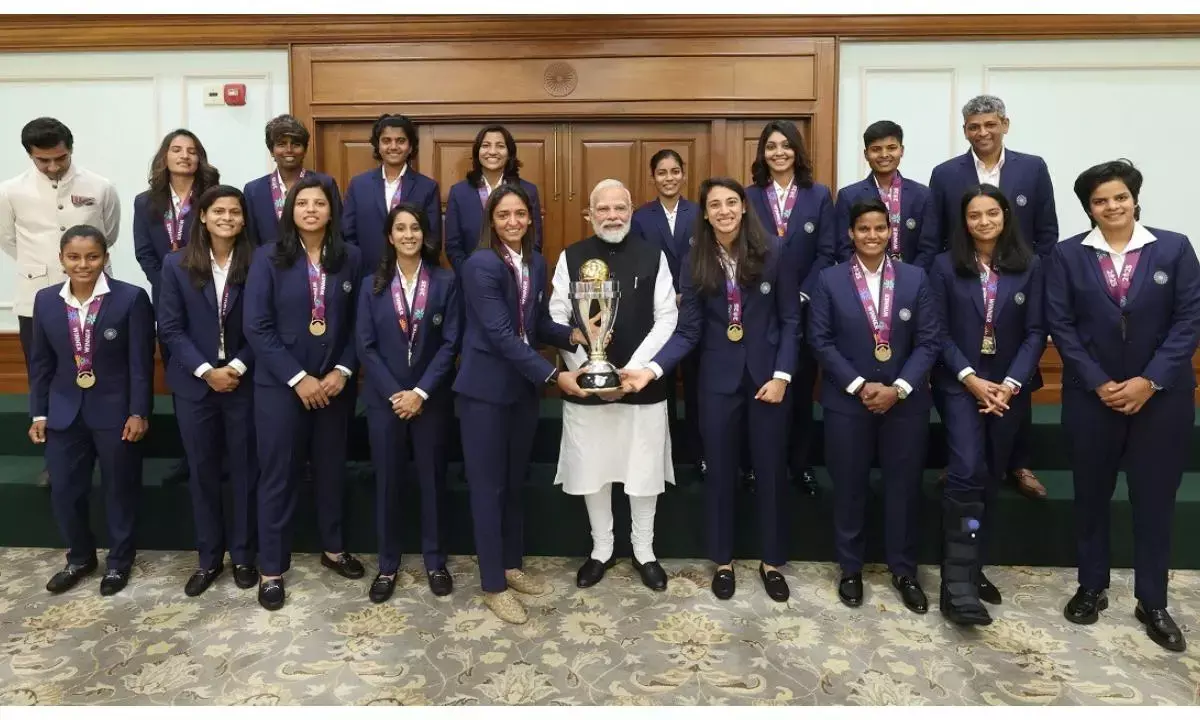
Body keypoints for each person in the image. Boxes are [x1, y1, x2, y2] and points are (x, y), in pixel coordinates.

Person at [622, 177, 800, 603]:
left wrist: (782, 376)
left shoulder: (773, 251)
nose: (724, 211)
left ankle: (772, 561)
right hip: (717, 382)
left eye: (731, 202)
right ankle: (723, 560)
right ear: (705, 212)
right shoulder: (695, 258)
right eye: (715, 204)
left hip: (767, 380)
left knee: (771, 471)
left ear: (743, 207)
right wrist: (651, 370)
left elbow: (792, 320)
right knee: (719, 472)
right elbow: (688, 331)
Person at [1047, 159, 1199, 653]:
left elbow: (1188, 320)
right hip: (1092, 399)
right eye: (1099, 201)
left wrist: (1148, 381)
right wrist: (1099, 383)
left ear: (1135, 198)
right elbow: (1061, 325)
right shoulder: (1067, 255)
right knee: (1091, 495)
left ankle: (1152, 599)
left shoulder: (1173, 248)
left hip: (1161, 401)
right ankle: (1092, 586)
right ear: (1088, 208)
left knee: (1153, 500)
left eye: (1119, 197)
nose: (1111, 207)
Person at [454, 183, 588, 624]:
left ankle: (512, 566)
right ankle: (493, 583)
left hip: (520, 393)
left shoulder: (534, 261)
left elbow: (533, 323)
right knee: (488, 489)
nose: (513, 222)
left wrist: (573, 334)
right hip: (485, 394)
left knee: (513, 484)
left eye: (520, 214)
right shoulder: (480, 265)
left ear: (531, 218)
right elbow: (500, 334)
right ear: (491, 221)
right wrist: (554, 375)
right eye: (504, 215)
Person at [808, 198, 939, 614]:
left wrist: (897, 388)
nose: (872, 235)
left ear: (890, 232)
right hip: (848, 402)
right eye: (863, 229)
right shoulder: (829, 280)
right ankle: (850, 568)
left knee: (903, 488)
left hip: (904, 403)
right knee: (849, 487)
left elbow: (929, 341)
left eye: (880, 228)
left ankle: (904, 570)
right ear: (850, 233)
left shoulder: (916, 278)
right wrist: (860, 385)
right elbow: (820, 341)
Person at [550, 179, 678, 592]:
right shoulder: (572, 257)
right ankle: (601, 549)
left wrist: (634, 371)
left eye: (619, 208)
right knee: (595, 470)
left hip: (641, 387)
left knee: (643, 471)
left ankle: (645, 550)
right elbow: (557, 320)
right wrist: (590, 370)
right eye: (602, 209)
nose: (612, 216)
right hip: (589, 389)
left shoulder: (653, 254)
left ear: (631, 211)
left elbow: (667, 318)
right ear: (590, 214)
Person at [244, 176, 364, 611]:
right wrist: (298, 378)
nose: (311, 209)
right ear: (289, 210)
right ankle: (272, 568)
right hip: (280, 388)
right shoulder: (267, 257)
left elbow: (359, 323)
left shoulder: (350, 257)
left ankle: (333, 549)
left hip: (335, 386)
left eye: (319, 203)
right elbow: (257, 325)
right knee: (278, 475)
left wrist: (343, 370)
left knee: (332, 470)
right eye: (303, 203)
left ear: (332, 211)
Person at [929, 95, 1057, 499]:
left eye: (990, 124)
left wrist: (1037, 282)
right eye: (974, 126)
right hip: (965, 281)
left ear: (1005, 123)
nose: (982, 132)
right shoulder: (946, 174)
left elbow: (1047, 232)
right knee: (963, 390)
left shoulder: (1032, 168)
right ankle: (963, 462)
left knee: (1016, 372)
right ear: (964, 130)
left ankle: (1018, 463)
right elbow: (934, 234)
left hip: (1016, 283)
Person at [929, 184, 1044, 625]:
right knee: (965, 469)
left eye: (991, 213)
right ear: (964, 222)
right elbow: (937, 331)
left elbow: (1036, 331)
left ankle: (973, 566)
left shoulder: (1029, 265)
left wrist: (1010, 384)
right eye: (974, 215)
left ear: (1005, 216)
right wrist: (972, 380)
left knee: (992, 472)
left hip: (1009, 388)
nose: (983, 222)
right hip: (961, 383)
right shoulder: (943, 267)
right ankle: (955, 582)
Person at [28, 225, 153, 596]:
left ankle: (119, 562)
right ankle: (80, 557)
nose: (83, 264)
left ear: (105, 258)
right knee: (65, 490)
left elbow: (141, 364)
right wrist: (39, 413)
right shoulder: (46, 300)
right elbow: (40, 363)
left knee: (119, 489)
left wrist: (138, 411)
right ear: (62, 259)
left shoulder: (130, 298)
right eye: (74, 257)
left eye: (92, 256)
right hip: (64, 413)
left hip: (116, 413)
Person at [1, 117, 120, 486]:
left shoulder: (100, 186)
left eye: (60, 158)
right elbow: (7, 239)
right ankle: (56, 458)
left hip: (95, 296)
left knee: (98, 369)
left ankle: (104, 451)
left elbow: (109, 233)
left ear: (70, 149)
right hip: (38, 299)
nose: (53, 166)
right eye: (43, 161)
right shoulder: (10, 191)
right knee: (46, 374)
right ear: (30, 156)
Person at [156, 185, 259, 597]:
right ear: (202, 216)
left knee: (245, 472)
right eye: (219, 211)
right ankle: (209, 558)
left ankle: (245, 555)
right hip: (195, 387)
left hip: (244, 382)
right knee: (202, 472)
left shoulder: (259, 262)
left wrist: (234, 366)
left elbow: (266, 324)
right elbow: (171, 328)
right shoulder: (176, 264)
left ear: (244, 218)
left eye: (235, 212)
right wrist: (205, 371)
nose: (227, 218)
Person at [357, 202, 459, 603]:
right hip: (386, 401)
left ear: (425, 234)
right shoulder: (372, 285)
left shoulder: (446, 282)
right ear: (389, 236)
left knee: (433, 482)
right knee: (388, 482)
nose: (408, 235)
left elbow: (451, 343)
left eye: (415, 228)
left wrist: (420, 392)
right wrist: (396, 393)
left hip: (430, 400)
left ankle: (435, 561)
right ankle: (387, 564)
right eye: (400, 228)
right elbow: (364, 345)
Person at [744, 119, 835, 498]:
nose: (778, 152)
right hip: (760, 312)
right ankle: (754, 465)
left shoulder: (818, 195)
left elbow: (828, 252)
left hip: (806, 309)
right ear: (763, 153)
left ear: (797, 151)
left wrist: (801, 294)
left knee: (798, 391)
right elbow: (741, 252)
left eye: (786, 145)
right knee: (758, 388)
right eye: (771, 146)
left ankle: (800, 465)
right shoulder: (748, 196)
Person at [132, 128, 221, 485]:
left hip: (213, 296)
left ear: (200, 158)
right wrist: (168, 285)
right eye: (177, 149)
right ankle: (191, 457)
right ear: (164, 157)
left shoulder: (211, 197)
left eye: (192, 151)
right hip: (168, 299)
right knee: (183, 375)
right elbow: (144, 252)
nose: (185, 156)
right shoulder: (145, 201)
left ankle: (223, 455)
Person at [631, 149, 701, 471]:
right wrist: (665, 295)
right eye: (662, 172)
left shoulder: (700, 213)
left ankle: (698, 453)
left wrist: (686, 292)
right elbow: (637, 263)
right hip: (657, 313)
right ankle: (666, 456)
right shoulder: (642, 217)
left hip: (695, 308)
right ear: (653, 177)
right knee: (663, 385)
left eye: (675, 171)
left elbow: (708, 260)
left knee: (699, 387)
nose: (669, 178)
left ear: (683, 174)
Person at [342, 114, 441, 277]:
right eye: (386, 140)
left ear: (410, 147)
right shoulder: (358, 185)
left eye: (400, 141)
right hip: (366, 276)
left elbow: (432, 239)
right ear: (378, 145)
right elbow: (347, 234)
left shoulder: (427, 187)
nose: (393, 146)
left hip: (413, 278)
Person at [834, 120, 938, 270]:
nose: (884, 155)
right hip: (862, 281)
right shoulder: (848, 196)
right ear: (866, 154)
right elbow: (843, 247)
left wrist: (912, 278)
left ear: (901, 150)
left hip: (912, 283)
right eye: (876, 149)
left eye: (891, 148)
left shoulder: (922, 195)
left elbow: (929, 247)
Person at [445, 124, 543, 272]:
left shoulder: (528, 190)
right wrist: (470, 273)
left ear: (509, 152)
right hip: (472, 278)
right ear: (477, 151)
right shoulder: (459, 192)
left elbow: (534, 241)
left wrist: (519, 272)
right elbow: (453, 246)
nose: (492, 151)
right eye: (486, 145)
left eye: (500, 146)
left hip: (517, 277)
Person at [243, 114, 342, 246]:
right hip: (270, 264)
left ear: (305, 150)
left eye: (296, 144)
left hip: (318, 263)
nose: (289, 150)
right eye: (281, 144)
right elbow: (251, 239)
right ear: (272, 150)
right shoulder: (253, 190)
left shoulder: (325, 184)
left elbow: (337, 230)